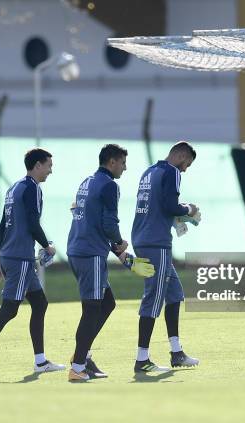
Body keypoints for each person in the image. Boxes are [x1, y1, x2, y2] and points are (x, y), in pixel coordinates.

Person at [0, 148, 65, 379]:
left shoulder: (14, 188)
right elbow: (32, 222)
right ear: (38, 165)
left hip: (14, 257)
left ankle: (40, 361)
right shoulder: (32, 188)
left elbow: (2, 226)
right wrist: (47, 246)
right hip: (20, 259)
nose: (51, 170)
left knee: (40, 303)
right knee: (9, 309)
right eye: (49, 165)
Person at [66, 144, 155, 382]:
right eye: (123, 163)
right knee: (92, 309)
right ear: (112, 162)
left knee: (107, 304)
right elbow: (108, 223)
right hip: (90, 253)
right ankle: (77, 367)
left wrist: (119, 254)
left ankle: (82, 357)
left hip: (77, 249)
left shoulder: (87, 181)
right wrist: (120, 244)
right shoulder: (109, 185)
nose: (125, 168)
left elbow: (81, 213)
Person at [131, 141, 200, 373]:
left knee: (174, 294)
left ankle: (177, 352)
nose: (185, 170)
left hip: (142, 237)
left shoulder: (150, 171)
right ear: (180, 155)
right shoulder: (171, 171)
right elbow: (170, 205)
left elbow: (158, 205)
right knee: (154, 297)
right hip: (156, 242)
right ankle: (142, 359)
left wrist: (178, 215)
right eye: (186, 164)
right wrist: (188, 210)